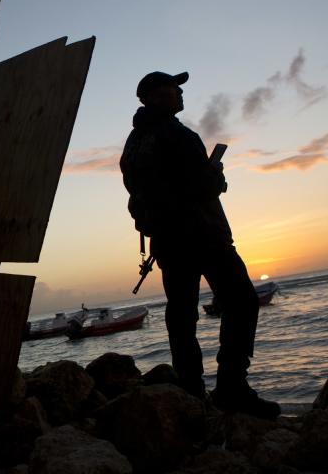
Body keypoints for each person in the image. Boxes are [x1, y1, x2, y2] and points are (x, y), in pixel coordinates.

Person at [119, 71, 280, 419]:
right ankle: (232, 389)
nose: (180, 92)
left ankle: (191, 391)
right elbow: (201, 188)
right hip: (204, 235)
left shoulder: (133, 144)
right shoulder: (179, 135)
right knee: (242, 302)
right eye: (174, 88)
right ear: (159, 96)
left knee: (181, 315)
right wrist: (216, 178)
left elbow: (143, 190)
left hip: (167, 241)